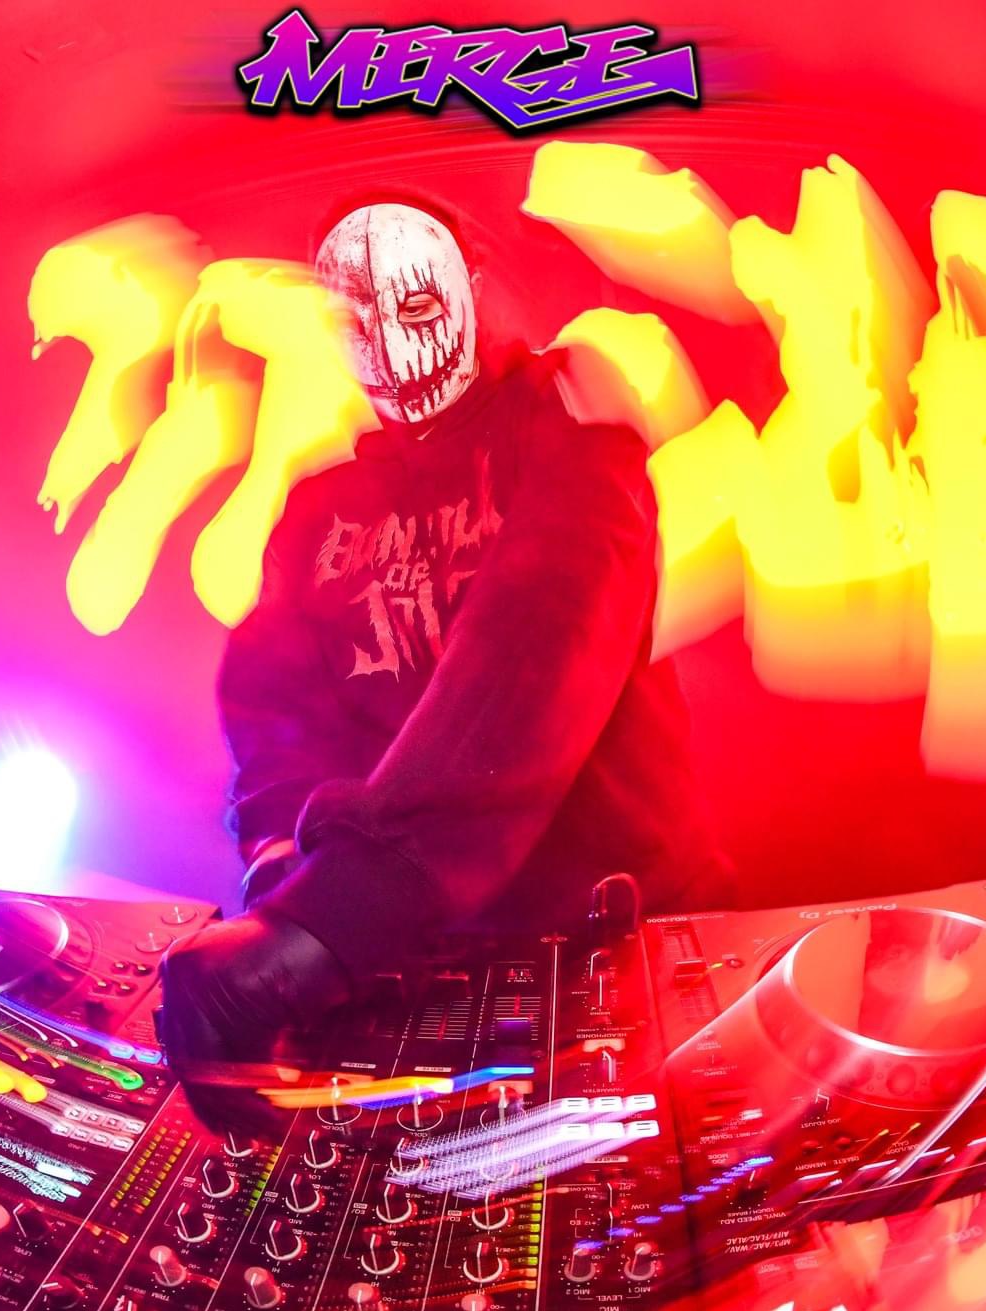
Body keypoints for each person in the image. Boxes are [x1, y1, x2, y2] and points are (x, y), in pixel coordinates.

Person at [158, 198, 731, 1129]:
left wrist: (338, 913)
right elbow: (274, 701)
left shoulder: (572, 434)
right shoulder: (317, 510)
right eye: (357, 321)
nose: (392, 348)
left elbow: (544, 639)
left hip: (619, 951)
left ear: (475, 289)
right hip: (403, 961)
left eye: (417, 307)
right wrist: (278, 863)